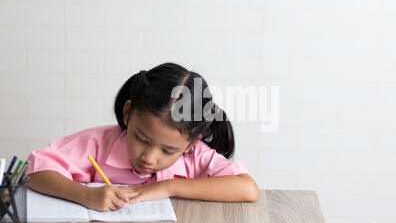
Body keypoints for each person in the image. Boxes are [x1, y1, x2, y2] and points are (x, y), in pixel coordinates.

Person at [26, 63, 259, 212]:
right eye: (141, 138)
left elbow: (247, 189)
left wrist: (169, 187)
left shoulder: (197, 156)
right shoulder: (99, 143)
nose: (149, 157)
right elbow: (35, 171)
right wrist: (85, 195)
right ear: (128, 112)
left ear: (192, 142)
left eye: (168, 151)